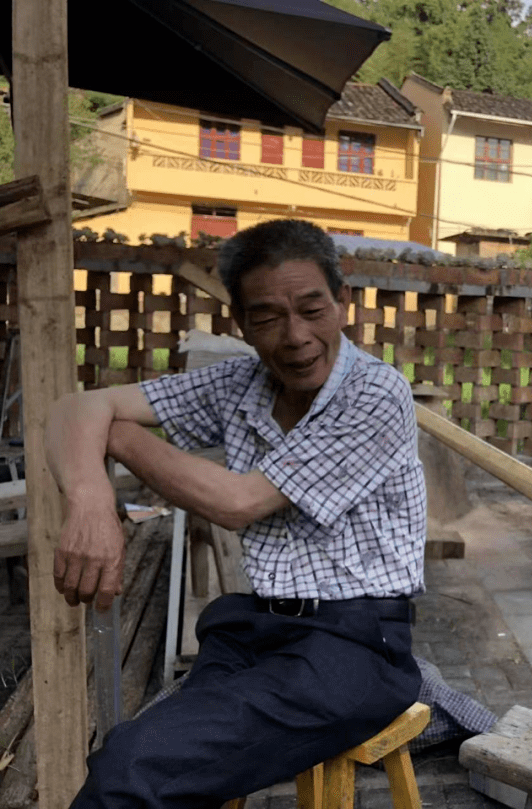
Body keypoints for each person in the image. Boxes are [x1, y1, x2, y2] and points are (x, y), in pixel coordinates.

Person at [47, 219, 426, 808]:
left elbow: (238, 503)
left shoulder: (375, 394)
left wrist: (118, 440)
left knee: (133, 768)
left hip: (354, 646)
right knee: (139, 754)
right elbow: (76, 407)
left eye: (311, 308)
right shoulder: (239, 383)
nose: (296, 336)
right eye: (270, 317)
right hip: (254, 630)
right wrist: (91, 502)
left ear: (342, 303)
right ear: (242, 325)